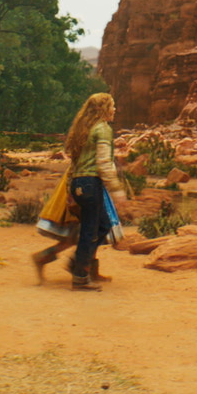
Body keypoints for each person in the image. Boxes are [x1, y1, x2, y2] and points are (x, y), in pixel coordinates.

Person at [43, 92, 127, 291]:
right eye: (112, 106)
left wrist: (71, 189)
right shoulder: (103, 129)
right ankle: (80, 276)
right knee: (91, 230)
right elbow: (104, 162)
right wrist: (116, 189)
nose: (115, 110)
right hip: (91, 184)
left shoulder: (85, 129)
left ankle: (78, 263)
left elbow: (74, 164)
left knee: (102, 226)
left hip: (79, 183)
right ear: (104, 109)